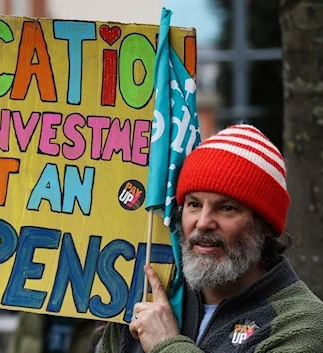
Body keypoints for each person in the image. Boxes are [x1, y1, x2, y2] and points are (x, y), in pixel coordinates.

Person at [100, 124, 323, 352]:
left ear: (264, 225)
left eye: (226, 208)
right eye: (194, 205)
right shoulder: (147, 301)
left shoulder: (302, 323)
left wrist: (166, 345)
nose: (204, 222)